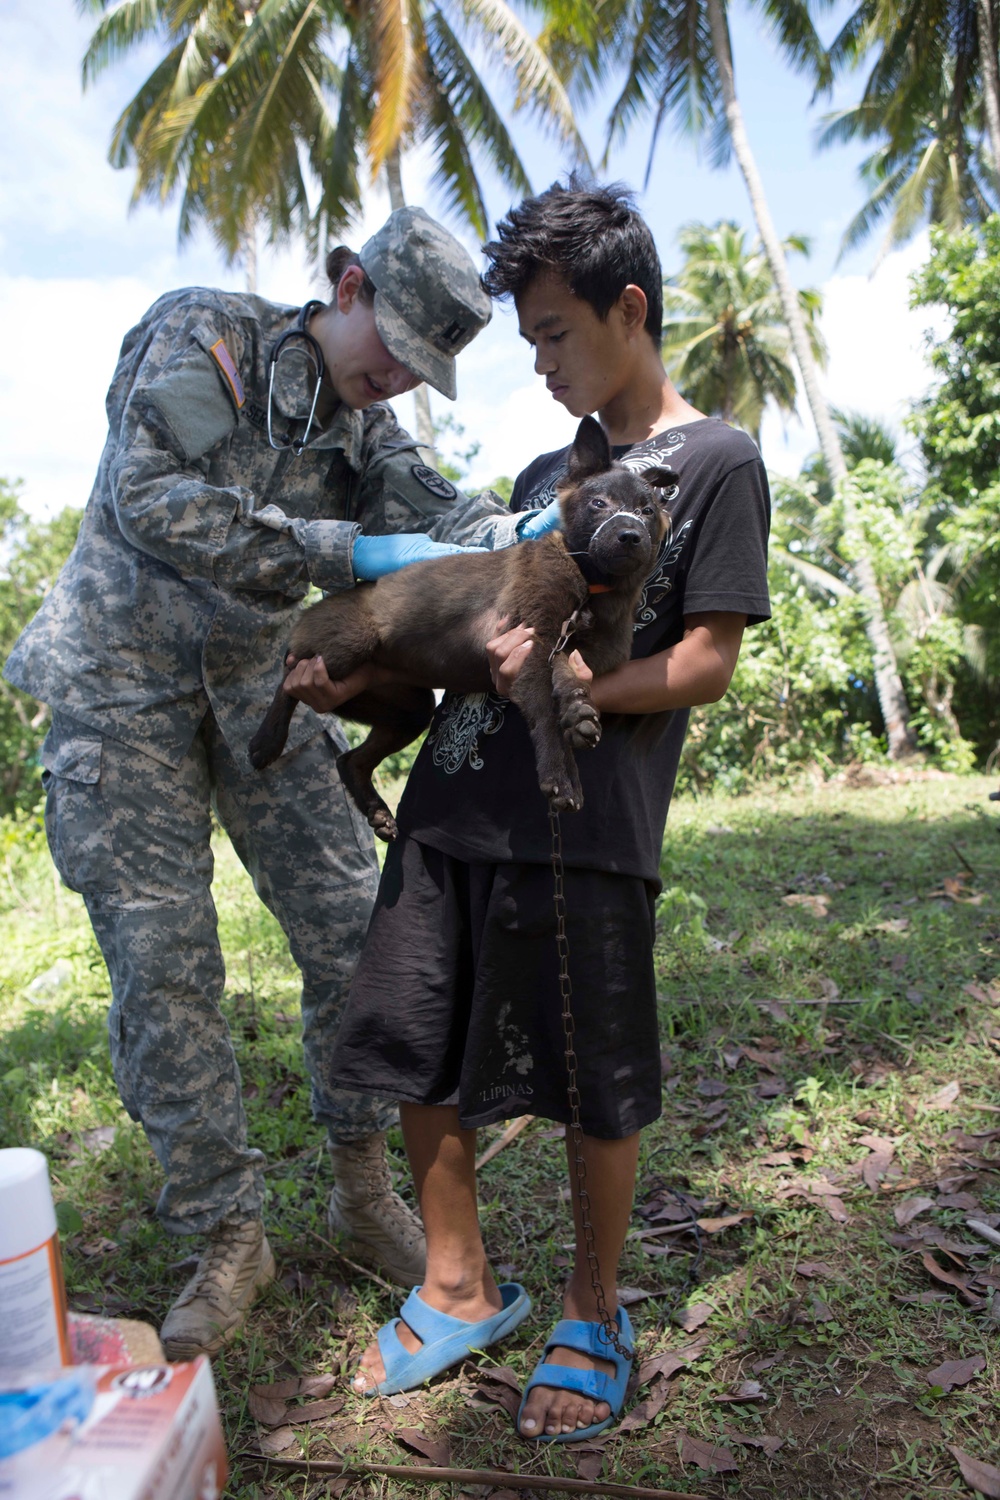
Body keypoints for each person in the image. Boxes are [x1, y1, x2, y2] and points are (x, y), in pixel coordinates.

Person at [3, 206, 534, 1361]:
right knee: (165, 968)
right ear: (345, 286)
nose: (393, 376)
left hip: (263, 692)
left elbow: (439, 511)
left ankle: (356, 1189)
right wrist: (344, 554)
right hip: (119, 690)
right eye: (389, 343)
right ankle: (226, 1234)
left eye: (416, 369)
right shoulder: (210, 339)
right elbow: (152, 497)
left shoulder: (368, 427)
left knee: (356, 933)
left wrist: (523, 532)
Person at [290, 179, 772, 1439]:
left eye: (555, 334)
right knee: (411, 1034)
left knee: (588, 1068)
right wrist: (360, 673)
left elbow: (708, 659)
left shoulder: (714, 461)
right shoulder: (544, 475)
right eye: (529, 343)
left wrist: (575, 683)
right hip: (453, 794)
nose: (543, 363)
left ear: (629, 308)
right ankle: (457, 1283)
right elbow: (466, 634)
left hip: (584, 824)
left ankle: (593, 1306)